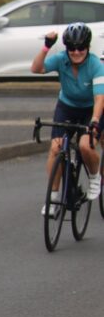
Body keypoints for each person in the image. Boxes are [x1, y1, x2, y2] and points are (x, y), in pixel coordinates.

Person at [30, 22, 104, 215]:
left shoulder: (95, 64)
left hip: (91, 109)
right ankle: (53, 199)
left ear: (87, 47)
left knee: (85, 145)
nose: (76, 52)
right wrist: (46, 46)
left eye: (81, 48)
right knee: (55, 148)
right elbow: (36, 69)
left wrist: (95, 120)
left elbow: (99, 98)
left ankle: (95, 178)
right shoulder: (61, 59)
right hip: (67, 107)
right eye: (72, 48)